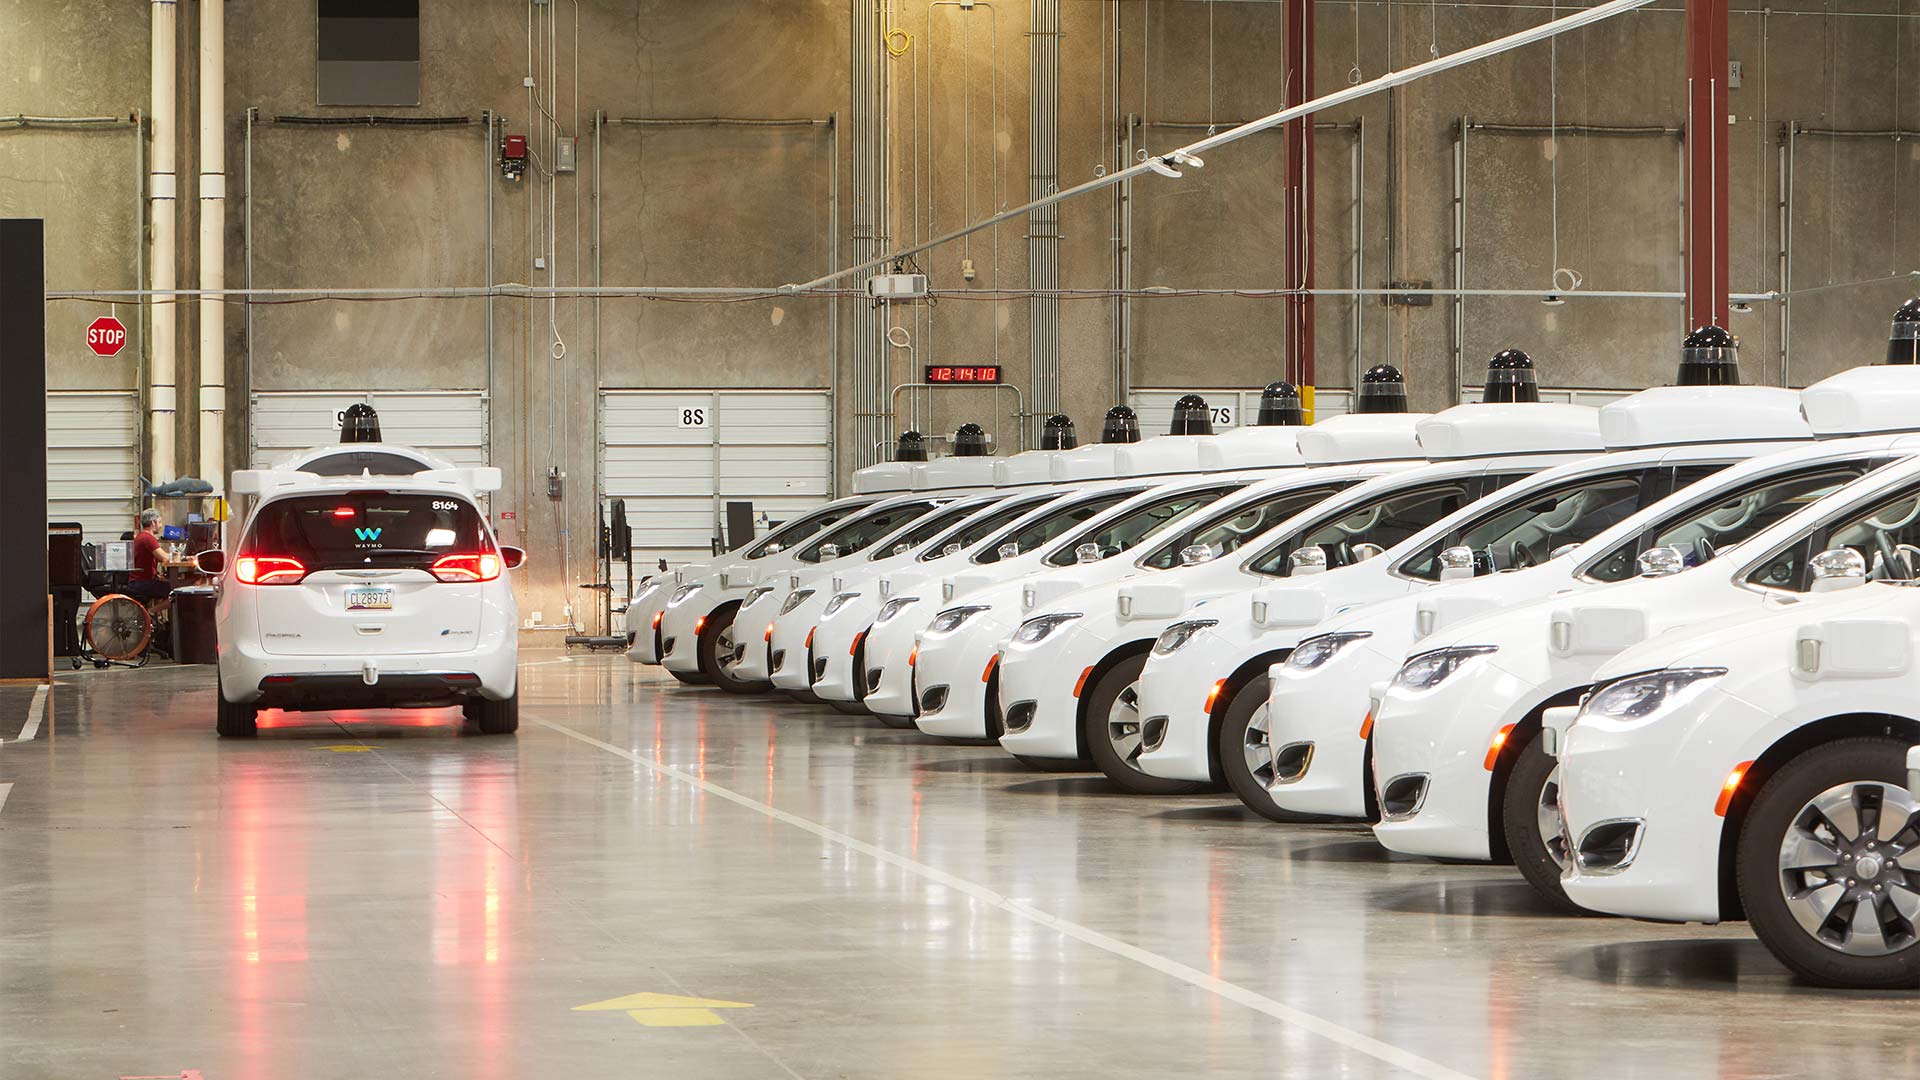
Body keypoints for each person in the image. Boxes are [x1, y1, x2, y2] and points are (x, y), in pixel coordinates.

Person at [123, 509, 172, 605]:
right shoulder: (148, 538)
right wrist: (182, 557)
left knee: (165, 585)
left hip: (139, 581)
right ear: (153, 522)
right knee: (176, 591)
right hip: (142, 583)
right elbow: (164, 557)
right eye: (160, 522)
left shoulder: (142, 537)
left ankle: (156, 617)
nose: (161, 525)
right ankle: (152, 612)